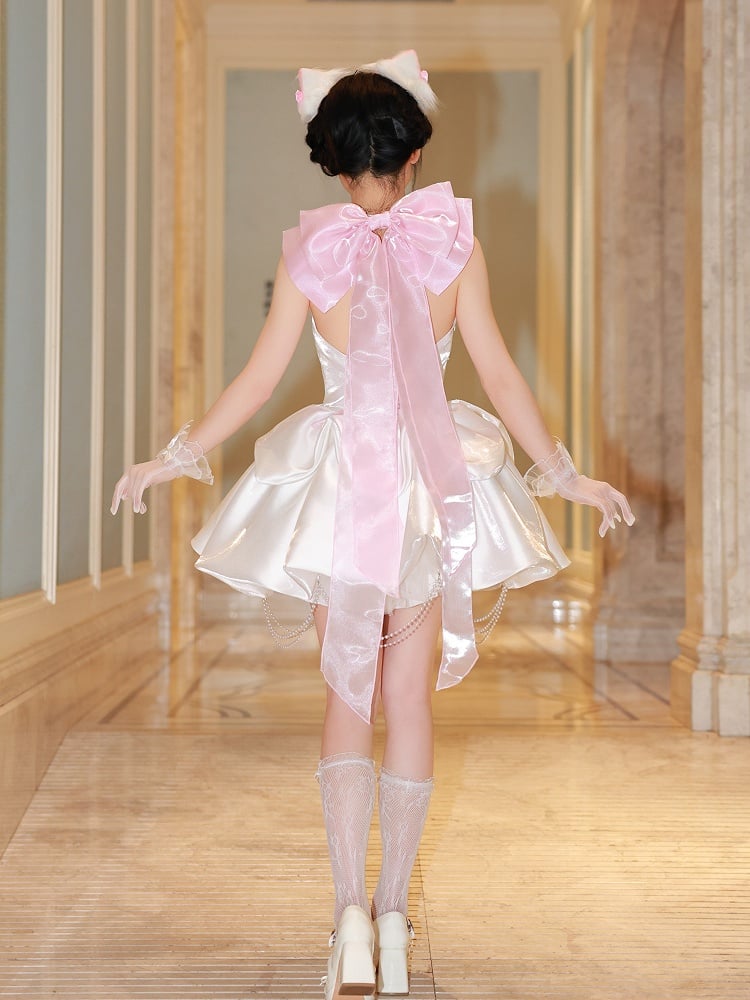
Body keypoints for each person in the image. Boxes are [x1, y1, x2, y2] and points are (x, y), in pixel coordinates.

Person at [112, 50, 634, 1000]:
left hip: (340, 488)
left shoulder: (310, 252)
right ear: (415, 151)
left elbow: (258, 381)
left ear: (331, 159)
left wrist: (172, 456)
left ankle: (349, 915)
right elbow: (500, 374)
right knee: (410, 701)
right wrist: (566, 476)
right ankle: (393, 917)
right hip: (427, 487)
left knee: (346, 695)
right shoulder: (452, 246)